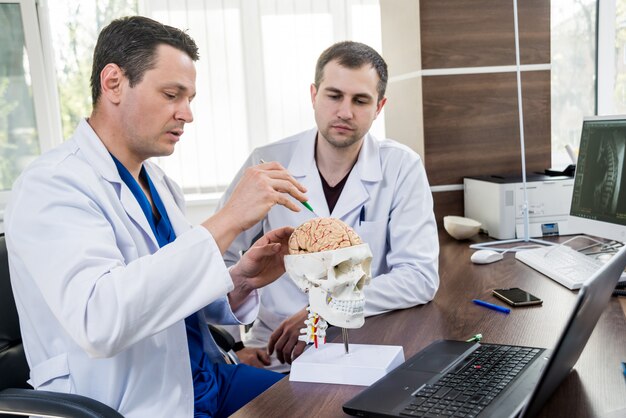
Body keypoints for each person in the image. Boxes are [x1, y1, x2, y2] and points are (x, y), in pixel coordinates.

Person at [5, 16, 312, 418]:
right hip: (135, 402)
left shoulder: (159, 183)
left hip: (203, 380)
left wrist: (240, 280)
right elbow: (100, 321)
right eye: (172, 94)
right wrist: (229, 219)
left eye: (190, 99)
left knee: (330, 401)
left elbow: (175, 293)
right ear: (113, 82)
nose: (187, 114)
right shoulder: (51, 184)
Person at [217, 41, 440, 370]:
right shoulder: (269, 161)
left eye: (360, 100)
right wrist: (227, 350)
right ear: (314, 95)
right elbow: (219, 252)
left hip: (361, 345)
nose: (345, 112)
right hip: (275, 352)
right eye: (334, 96)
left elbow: (419, 277)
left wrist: (325, 309)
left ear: (379, 106)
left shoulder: (401, 166)